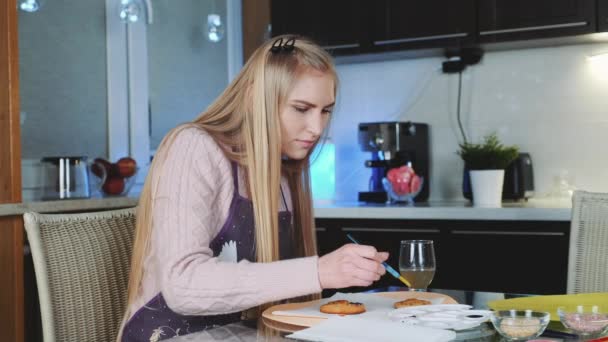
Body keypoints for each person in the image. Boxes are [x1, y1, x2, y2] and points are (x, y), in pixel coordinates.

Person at [118, 35, 389, 342]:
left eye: (325, 110)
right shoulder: (194, 147)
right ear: (254, 97)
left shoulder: (284, 171)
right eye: (302, 108)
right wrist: (318, 271)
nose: (317, 128)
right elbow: (183, 285)